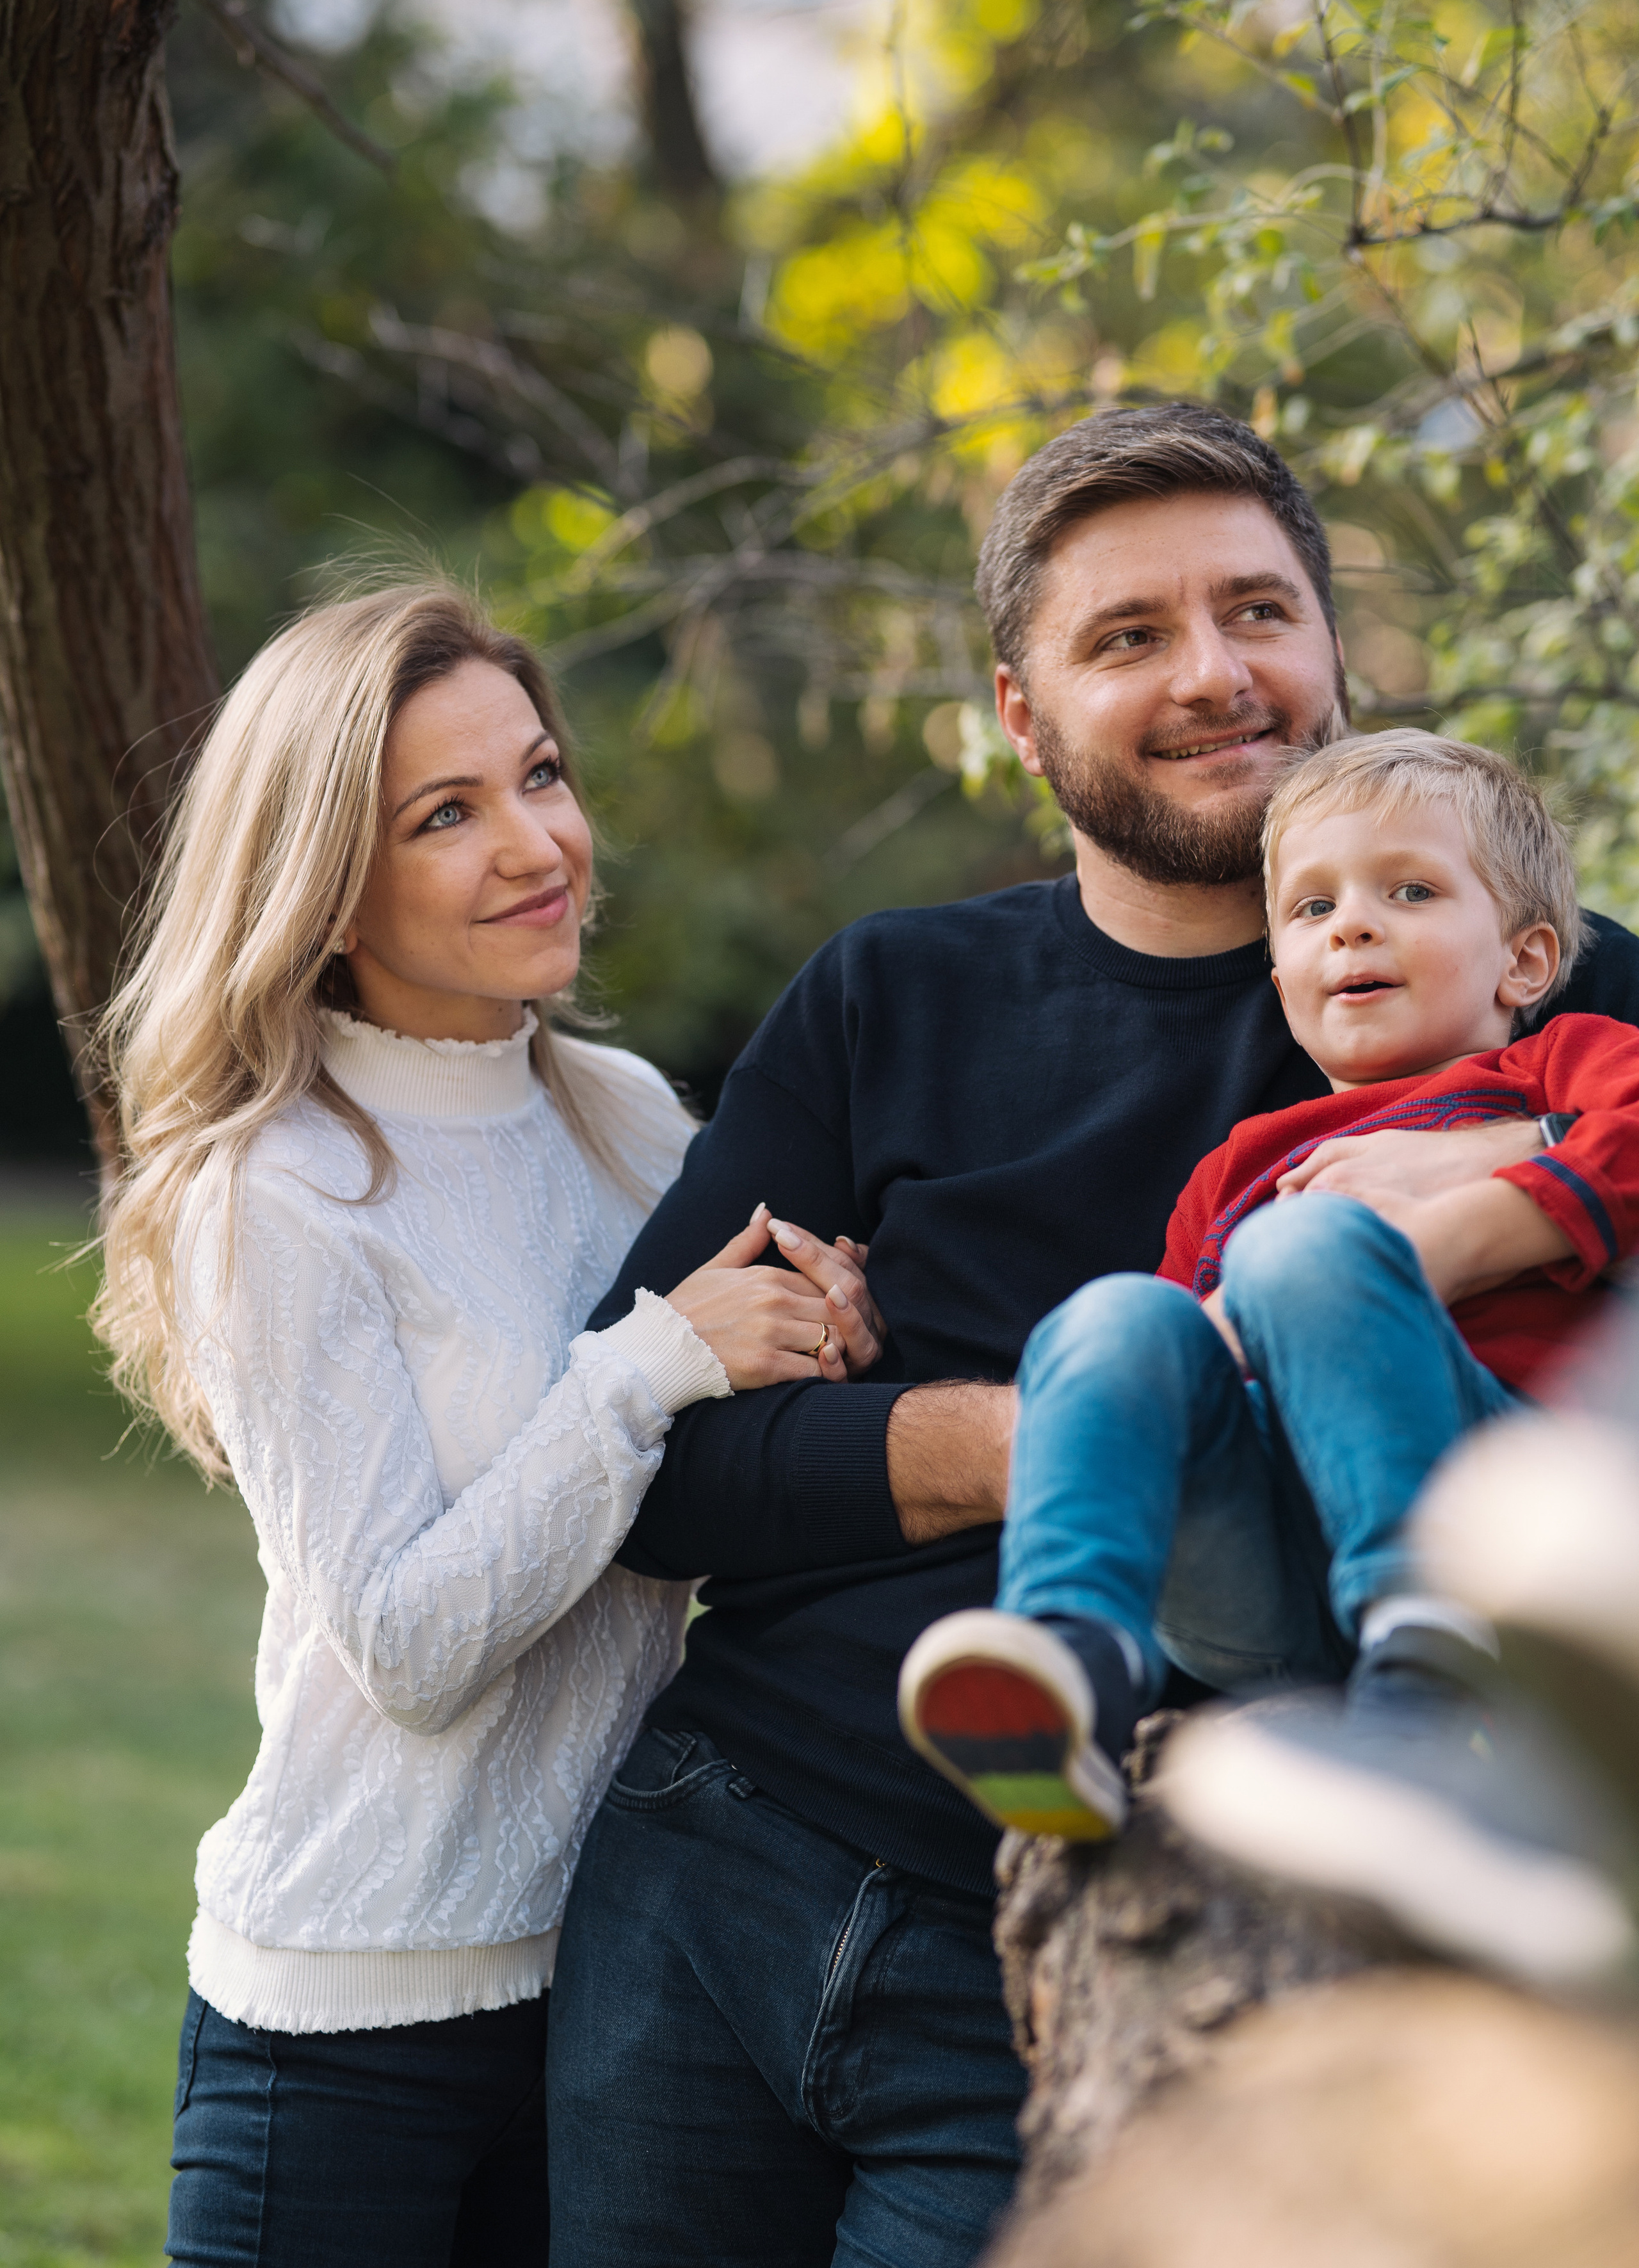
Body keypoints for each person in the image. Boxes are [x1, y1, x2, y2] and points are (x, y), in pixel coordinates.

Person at [544, 404, 1639, 2267]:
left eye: (1257, 610)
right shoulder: (888, 992)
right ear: (1019, 712)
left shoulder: (1527, 984)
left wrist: (1494, 1207)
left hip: (1102, 1948)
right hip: (726, 1851)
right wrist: (1070, 1422)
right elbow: (659, 1468)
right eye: (1130, 634)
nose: (1214, 672)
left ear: (1333, 645)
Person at [92, 582, 884, 2268]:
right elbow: (408, 1645)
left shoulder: (629, 1119)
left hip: (617, 1984)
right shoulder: (280, 1188)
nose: (536, 844)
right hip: (343, 2023)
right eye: (444, 815)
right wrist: (648, 1364)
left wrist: (817, 1334)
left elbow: (702, 1492)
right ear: (327, 888)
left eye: (538, 775)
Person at [898, 730, 1639, 1986]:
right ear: (1281, 972)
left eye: (1409, 890)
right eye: (1311, 907)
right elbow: (1179, 1366)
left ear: (1525, 959)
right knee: (1108, 1322)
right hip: (1262, 1580)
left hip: (1493, 1526)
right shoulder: (1240, 1164)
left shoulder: (1560, 1065)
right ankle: (1075, 1660)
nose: (1352, 925)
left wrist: (1502, 1181)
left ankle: (1433, 1659)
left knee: (1304, 1247)